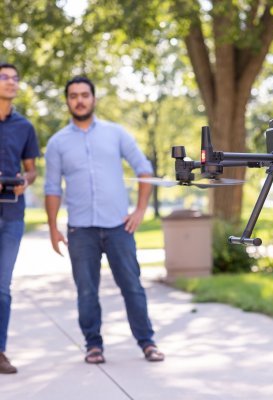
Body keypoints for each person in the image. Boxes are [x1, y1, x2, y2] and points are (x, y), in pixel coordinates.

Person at [44, 76, 164, 364]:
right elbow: (51, 188)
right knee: (86, 290)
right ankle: (93, 345)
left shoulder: (116, 133)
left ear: (94, 99)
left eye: (85, 94)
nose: (80, 100)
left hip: (118, 227)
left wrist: (139, 211)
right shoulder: (57, 142)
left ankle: (147, 342)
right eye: (74, 96)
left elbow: (144, 170)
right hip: (80, 230)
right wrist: (52, 228)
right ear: (68, 101)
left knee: (132, 286)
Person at [0, 62, 40, 374]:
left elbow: (31, 168)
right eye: (4, 77)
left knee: (2, 287)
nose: (11, 82)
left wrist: (25, 180)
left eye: (15, 77)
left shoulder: (25, 126)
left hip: (12, 214)